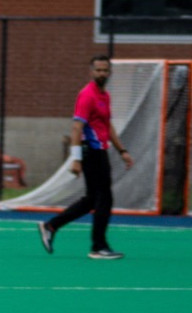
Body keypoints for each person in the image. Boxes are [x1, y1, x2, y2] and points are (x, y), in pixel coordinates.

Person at [37, 54, 133, 260]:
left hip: (101, 151)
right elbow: (76, 127)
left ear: (109, 72)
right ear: (91, 72)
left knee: (92, 200)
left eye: (105, 70)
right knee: (104, 198)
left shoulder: (105, 96)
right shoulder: (87, 95)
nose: (102, 73)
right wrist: (76, 159)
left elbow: (107, 126)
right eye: (98, 70)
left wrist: (122, 151)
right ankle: (98, 246)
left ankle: (51, 226)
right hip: (91, 152)